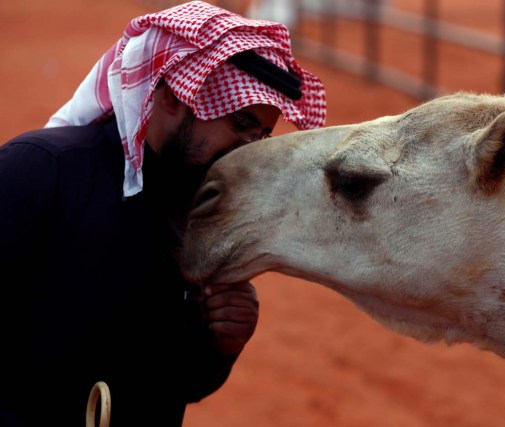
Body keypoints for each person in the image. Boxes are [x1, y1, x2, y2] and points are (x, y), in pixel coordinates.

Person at [0, 1, 327, 426]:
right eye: (240, 124)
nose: (252, 151)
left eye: (261, 134)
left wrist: (222, 343)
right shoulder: (38, 171)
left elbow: (182, 383)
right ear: (175, 96)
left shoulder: (205, 211)